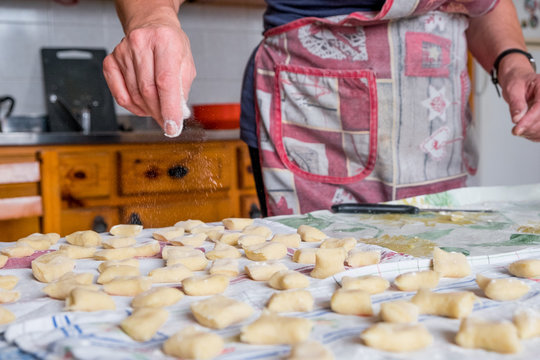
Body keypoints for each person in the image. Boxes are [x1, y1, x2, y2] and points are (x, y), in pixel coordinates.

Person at [104, 0, 540, 217]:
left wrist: (514, 62)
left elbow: (487, 5)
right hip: (313, 111)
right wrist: (152, 17)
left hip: (432, 117)